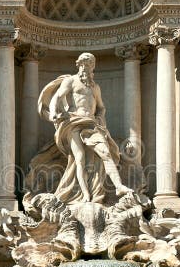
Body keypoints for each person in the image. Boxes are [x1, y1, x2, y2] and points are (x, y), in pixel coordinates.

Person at [38, 52, 132, 204]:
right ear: (78, 65)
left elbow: (101, 107)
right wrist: (54, 112)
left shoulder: (95, 88)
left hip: (91, 124)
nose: (85, 68)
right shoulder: (71, 81)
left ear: (92, 68)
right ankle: (85, 195)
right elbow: (57, 97)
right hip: (73, 122)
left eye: (88, 65)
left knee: (106, 153)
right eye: (82, 65)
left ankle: (119, 186)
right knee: (79, 158)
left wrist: (101, 120)